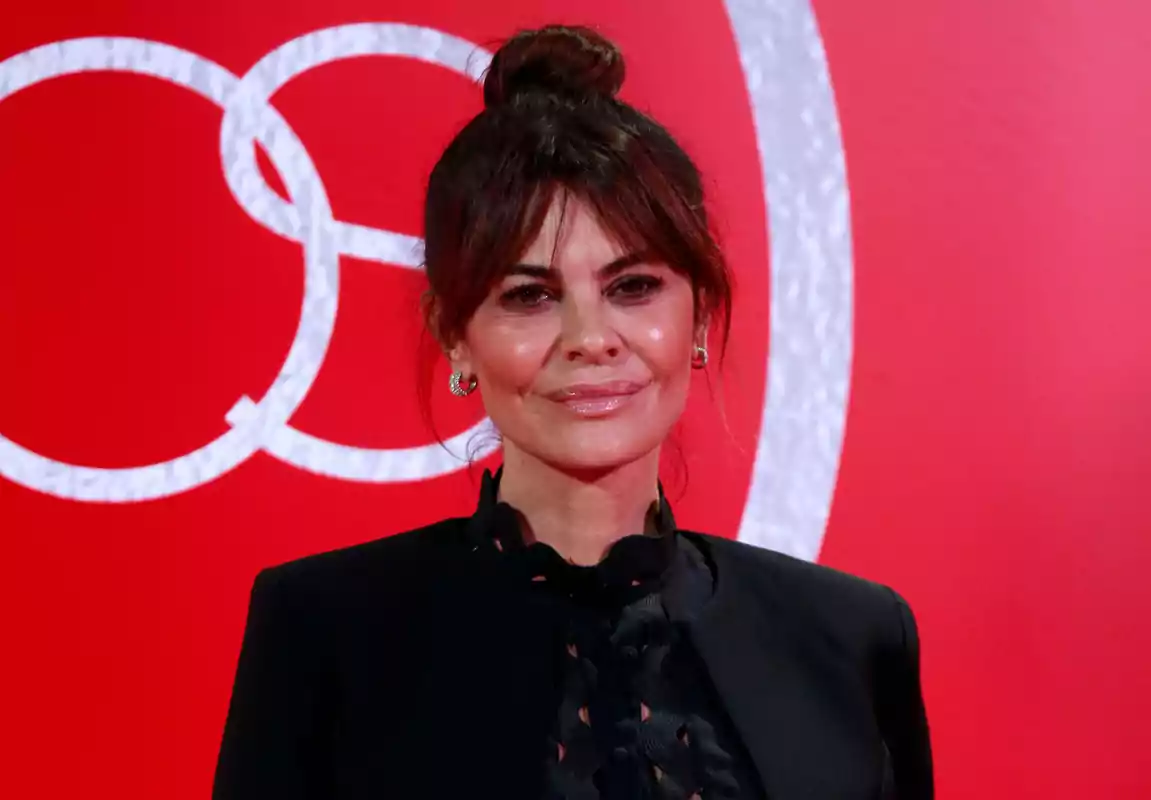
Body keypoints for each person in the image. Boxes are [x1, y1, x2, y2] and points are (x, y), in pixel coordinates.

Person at [212, 24, 933, 800]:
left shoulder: (848, 636)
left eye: (633, 288)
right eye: (531, 297)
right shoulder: (328, 631)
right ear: (455, 337)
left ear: (700, 317)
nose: (591, 340)